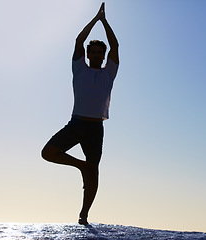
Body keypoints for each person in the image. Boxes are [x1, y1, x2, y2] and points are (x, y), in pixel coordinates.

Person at [41, 2, 119, 225]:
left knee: (94, 173)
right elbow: (78, 41)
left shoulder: (109, 73)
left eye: (99, 52)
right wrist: (94, 19)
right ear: (87, 54)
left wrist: (104, 22)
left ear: (103, 56)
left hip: (96, 129)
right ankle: (81, 166)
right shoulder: (79, 68)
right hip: (76, 125)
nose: (95, 55)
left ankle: (84, 215)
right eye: (92, 52)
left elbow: (116, 46)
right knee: (47, 153)